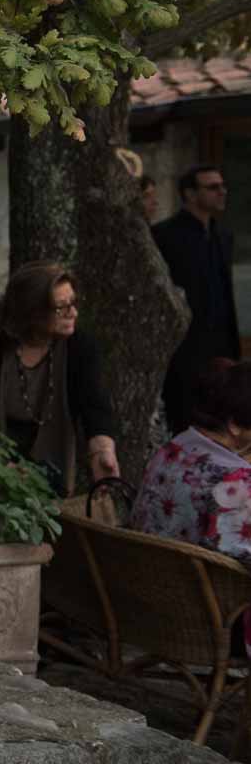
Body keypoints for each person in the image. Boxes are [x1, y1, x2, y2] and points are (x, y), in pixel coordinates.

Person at [0, 262, 120, 494]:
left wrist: (103, 450)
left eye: (73, 303)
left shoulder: (80, 346)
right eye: (61, 308)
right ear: (32, 312)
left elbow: (95, 405)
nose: (73, 313)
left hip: (49, 456)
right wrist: (1, 465)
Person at [131, 359, 251, 562]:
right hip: (199, 589)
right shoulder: (236, 481)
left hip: (148, 574)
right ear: (234, 425)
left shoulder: (173, 449)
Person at [155, 164, 240, 433]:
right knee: (185, 422)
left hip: (221, 348)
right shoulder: (164, 235)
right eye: (213, 187)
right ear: (190, 194)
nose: (222, 192)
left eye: (223, 186)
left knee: (223, 422)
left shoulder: (222, 236)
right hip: (184, 350)